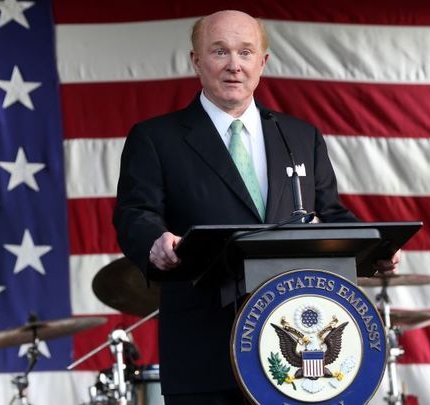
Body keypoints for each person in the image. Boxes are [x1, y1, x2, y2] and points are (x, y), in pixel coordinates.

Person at [113, 10, 400, 405]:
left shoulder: (300, 136)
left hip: (295, 356)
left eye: (246, 52)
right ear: (196, 60)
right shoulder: (155, 138)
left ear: (262, 63)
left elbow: (329, 215)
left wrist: (374, 247)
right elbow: (135, 213)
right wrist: (155, 243)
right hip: (204, 351)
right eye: (220, 52)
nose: (234, 65)